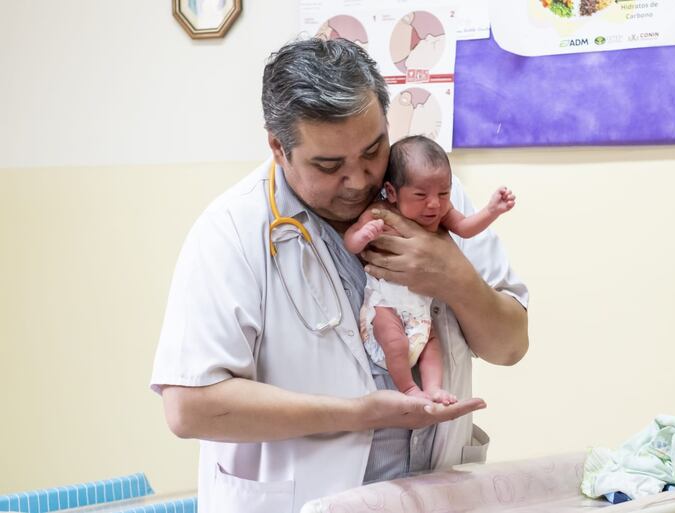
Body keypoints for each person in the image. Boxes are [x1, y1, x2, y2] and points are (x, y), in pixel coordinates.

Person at [150, 37, 529, 513]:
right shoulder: (231, 231)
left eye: (373, 150)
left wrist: (453, 275)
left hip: (435, 495)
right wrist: (358, 415)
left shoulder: (428, 200)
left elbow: (510, 345)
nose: (360, 179)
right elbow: (189, 408)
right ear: (278, 147)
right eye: (329, 165)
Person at [344, 135, 516, 405]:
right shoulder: (378, 211)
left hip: (420, 310)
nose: (434, 204)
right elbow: (351, 243)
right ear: (391, 192)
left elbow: (466, 228)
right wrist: (365, 233)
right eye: (421, 195)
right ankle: (409, 388)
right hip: (384, 305)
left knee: (433, 345)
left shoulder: (442, 212)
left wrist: (492, 211)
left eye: (443, 193)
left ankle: (433, 388)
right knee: (394, 342)